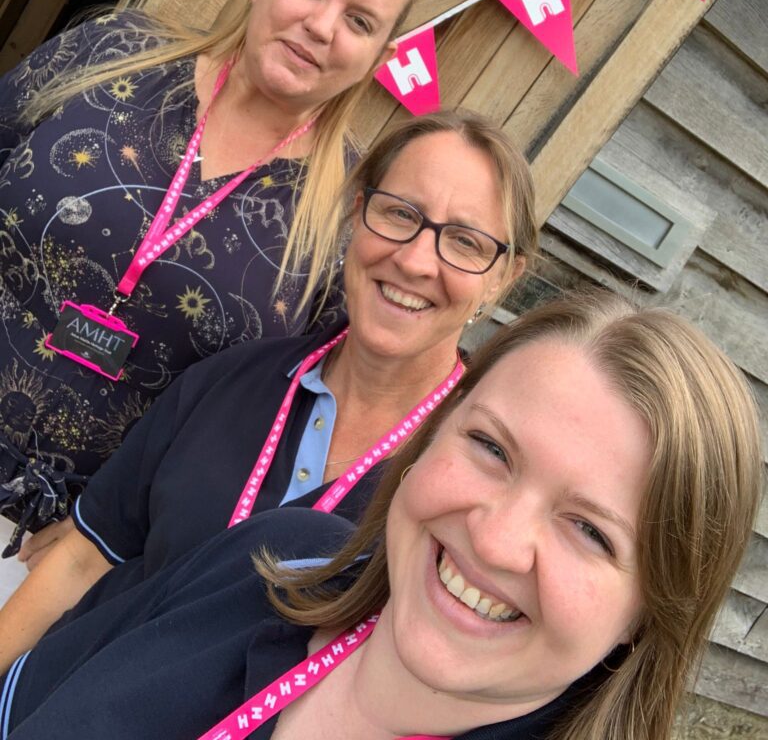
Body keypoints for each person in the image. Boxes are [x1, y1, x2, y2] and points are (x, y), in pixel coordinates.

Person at [0, 289, 760, 740]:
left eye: (591, 530)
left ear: (648, 612)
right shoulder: (274, 558)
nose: (494, 541)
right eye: (492, 449)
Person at [0, 109, 537, 668]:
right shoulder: (229, 377)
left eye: (467, 243)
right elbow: (85, 559)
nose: (415, 260)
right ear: (357, 215)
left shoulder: (473, 483)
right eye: (400, 214)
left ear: (504, 278)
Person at [0, 0, 424, 564]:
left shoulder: (350, 218)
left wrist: (113, 538)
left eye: (359, 21)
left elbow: (279, 425)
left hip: (64, 553)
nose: (320, 25)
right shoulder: (114, 54)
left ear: (379, 55)